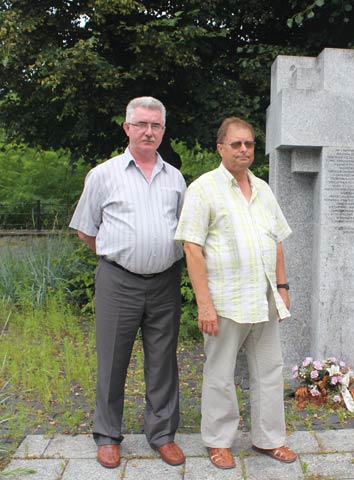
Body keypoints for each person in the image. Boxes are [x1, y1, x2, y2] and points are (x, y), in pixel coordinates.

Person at [69, 97, 186, 468]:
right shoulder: (103, 175)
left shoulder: (175, 178)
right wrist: (120, 256)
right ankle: (107, 435)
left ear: (163, 131)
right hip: (118, 281)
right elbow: (86, 230)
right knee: (112, 360)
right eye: (141, 124)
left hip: (165, 281)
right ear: (127, 128)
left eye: (155, 125)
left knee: (163, 360)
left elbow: (184, 229)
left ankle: (162, 434)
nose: (148, 131)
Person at [175, 117, 297, 469]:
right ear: (220, 148)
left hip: (264, 298)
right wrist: (205, 305)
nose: (244, 149)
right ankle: (218, 442)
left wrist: (283, 287)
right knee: (220, 374)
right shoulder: (204, 188)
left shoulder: (263, 189)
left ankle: (269, 439)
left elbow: (276, 241)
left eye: (249, 144)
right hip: (225, 302)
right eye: (236, 144)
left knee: (270, 371)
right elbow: (191, 248)